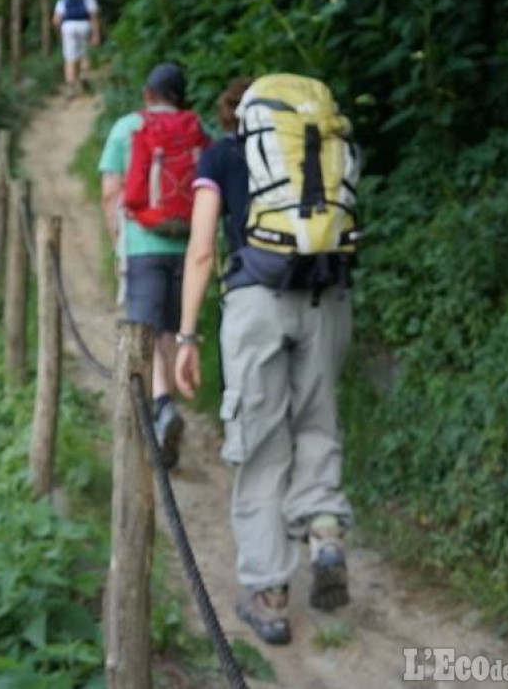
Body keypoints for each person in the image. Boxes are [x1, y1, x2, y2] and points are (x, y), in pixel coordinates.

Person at [175, 75, 356, 645]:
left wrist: (185, 336)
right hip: (327, 301)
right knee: (317, 424)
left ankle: (270, 596)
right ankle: (325, 532)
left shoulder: (223, 155)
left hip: (256, 305)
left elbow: (203, 248)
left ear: (233, 115)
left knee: (261, 446)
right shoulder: (325, 148)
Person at [99, 62, 207, 469]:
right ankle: (165, 413)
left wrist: (116, 243)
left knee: (143, 334)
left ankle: (160, 410)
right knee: (170, 332)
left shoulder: (126, 127)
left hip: (143, 244)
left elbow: (111, 193)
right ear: (181, 96)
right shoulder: (198, 130)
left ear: (148, 93)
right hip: (187, 247)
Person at [52, 0, 101, 99]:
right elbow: (94, 17)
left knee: (70, 59)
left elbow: (56, 20)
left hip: (68, 26)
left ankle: (71, 88)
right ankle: (84, 76)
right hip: (84, 25)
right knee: (85, 54)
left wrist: (59, 33)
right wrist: (96, 35)